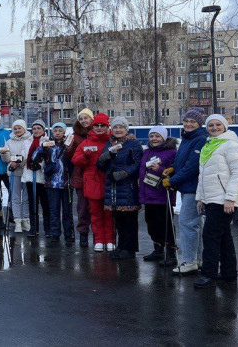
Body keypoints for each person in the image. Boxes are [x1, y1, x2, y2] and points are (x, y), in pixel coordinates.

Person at [194, 114, 238, 289]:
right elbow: (203, 177)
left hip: (224, 199)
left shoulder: (230, 145)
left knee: (210, 235)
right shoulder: (207, 146)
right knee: (224, 237)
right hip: (211, 200)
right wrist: (200, 198)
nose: (214, 128)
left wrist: (230, 198)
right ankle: (229, 273)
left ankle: (208, 274)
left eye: (218, 124)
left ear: (224, 127)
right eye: (211, 125)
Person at [162, 107, 208, 275]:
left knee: (188, 224)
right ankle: (198, 258)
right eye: (186, 121)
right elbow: (183, 161)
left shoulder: (200, 139)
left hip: (193, 188)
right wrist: (173, 168)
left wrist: (172, 180)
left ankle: (189, 261)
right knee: (195, 224)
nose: (188, 124)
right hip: (188, 187)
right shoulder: (188, 138)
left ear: (199, 124)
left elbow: (192, 166)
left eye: (192, 122)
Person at [97, 116, 142, 260]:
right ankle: (121, 246)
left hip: (127, 185)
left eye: (121, 127)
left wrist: (124, 173)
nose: (118, 130)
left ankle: (129, 249)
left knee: (129, 220)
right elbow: (101, 165)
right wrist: (104, 158)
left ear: (126, 129)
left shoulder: (133, 144)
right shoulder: (109, 144)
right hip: (113, 187)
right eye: (115, 127)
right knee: (118, 220)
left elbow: (137, 164)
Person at [72, 113, 113, 252]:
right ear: (93, 126)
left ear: (107, 127)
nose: (100, 128)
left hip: (109, 181)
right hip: (92, 182)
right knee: (95, 213)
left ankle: (110, 239)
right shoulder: (87, 142)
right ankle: (99, 240)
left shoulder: (113, 141)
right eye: (97, 125)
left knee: (109, 214)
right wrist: (85, 156)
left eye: (103, 126)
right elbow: (75, 160)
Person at [139, 125, 178, 265]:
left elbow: (174, 171)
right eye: (151, 136)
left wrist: (160, 169)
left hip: (163, 194)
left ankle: (171, 252)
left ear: (164, 137)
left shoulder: (171, 152)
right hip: (148, 194)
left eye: (157, 136)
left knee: (165, 224)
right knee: (151, 223)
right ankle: (158, 249)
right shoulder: (147, 151)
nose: (154, 139)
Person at [36, 122, 74, 243]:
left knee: (67, 211)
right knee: (54, 209)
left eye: (60, 131)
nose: (57, 133)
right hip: (51, 182)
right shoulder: (48, 144)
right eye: (55, 130)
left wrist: (69, 149)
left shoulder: (69, 143)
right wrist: (42, 147)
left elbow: (75, 160)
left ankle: (69, 234)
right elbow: (34, 157)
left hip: (67, 182)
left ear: (64, 132)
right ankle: (55, 233)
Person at [66, 109, 94, 246]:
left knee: (96, 208)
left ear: (91, 119)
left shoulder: (99, 133)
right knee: (82, 207)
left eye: (86, 118)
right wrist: (69, 147)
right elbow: (70, 157)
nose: (83, 121)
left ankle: (99, 236)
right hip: (80, 176)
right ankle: (83, 234)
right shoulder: (75, 136)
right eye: (81, 119)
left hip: (96, 176)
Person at [0, 119, 31, 232]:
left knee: (26, 198)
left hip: (26, 172)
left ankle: (26, 219)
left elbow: (29, 155)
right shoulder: (9, 141)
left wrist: (19, 163)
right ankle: (17, 220)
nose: (17, 130)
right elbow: (7, 159)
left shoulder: (29, 140)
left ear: (24, 128)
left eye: (19, 128)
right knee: (15, 197)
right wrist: (4, 154)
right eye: (15, 128)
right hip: (14, 173)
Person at [24, 119, 51, 237]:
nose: (36, 131)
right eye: (34, 128)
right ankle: (34, 227)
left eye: (38, 128)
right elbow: (24, 155)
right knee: (32, 202)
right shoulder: (27, 141)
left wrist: (40, 164)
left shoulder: (47, 141)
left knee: (45, 203)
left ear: (43, 130)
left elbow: (50, 157)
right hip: (30, 176)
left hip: (42, 176)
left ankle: (48, 228)